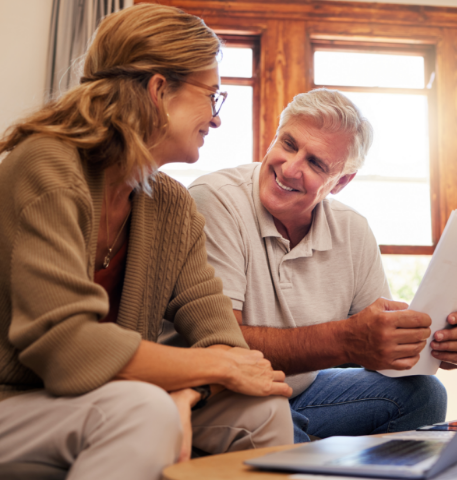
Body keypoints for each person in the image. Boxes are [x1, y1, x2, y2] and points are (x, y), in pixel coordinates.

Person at [0, 4, 294, 479]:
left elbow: (225, 344)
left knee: (262, 408)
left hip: (109, 396)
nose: (216, 120)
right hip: (14, 401)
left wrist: (187, 391)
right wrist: (205, 374)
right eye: (211, 96)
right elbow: (69, 350)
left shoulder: (172, 205)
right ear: (160, 91)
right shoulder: (46, 167)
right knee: (141, 408)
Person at [189, 88, 457, 443]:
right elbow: (224, 345)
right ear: (273, 139)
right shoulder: (216, 199)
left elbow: (377, 350)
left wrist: (434, 345)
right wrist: (346, 340)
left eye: (315, 163)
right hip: (217, 394)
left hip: (300, 392)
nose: (290, 167)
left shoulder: (352, 229)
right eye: (288, 144)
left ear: (342, 181)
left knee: (426, 391)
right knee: (279, 421)